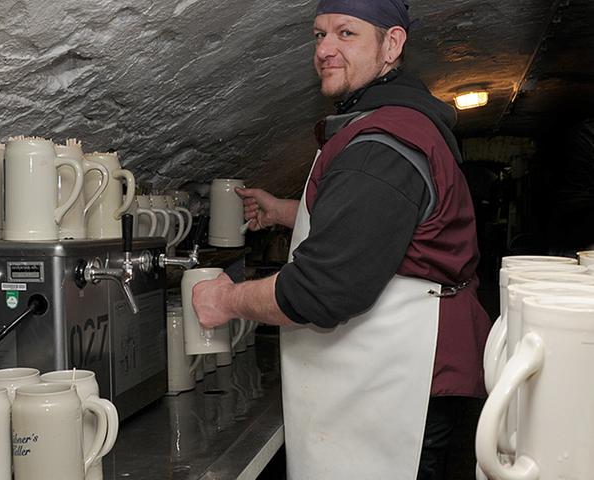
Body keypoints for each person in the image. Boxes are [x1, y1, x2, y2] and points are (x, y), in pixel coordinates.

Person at [191, 0, 490, 478]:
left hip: (403, 389)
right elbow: (382, 222)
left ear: (392, 44)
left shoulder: (381, 144)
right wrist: (287, 212)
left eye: (346, 34)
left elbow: (320, 289)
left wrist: (226, 300)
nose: (324, 50)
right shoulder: (391, 123)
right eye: (318, 35)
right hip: (405, 378)